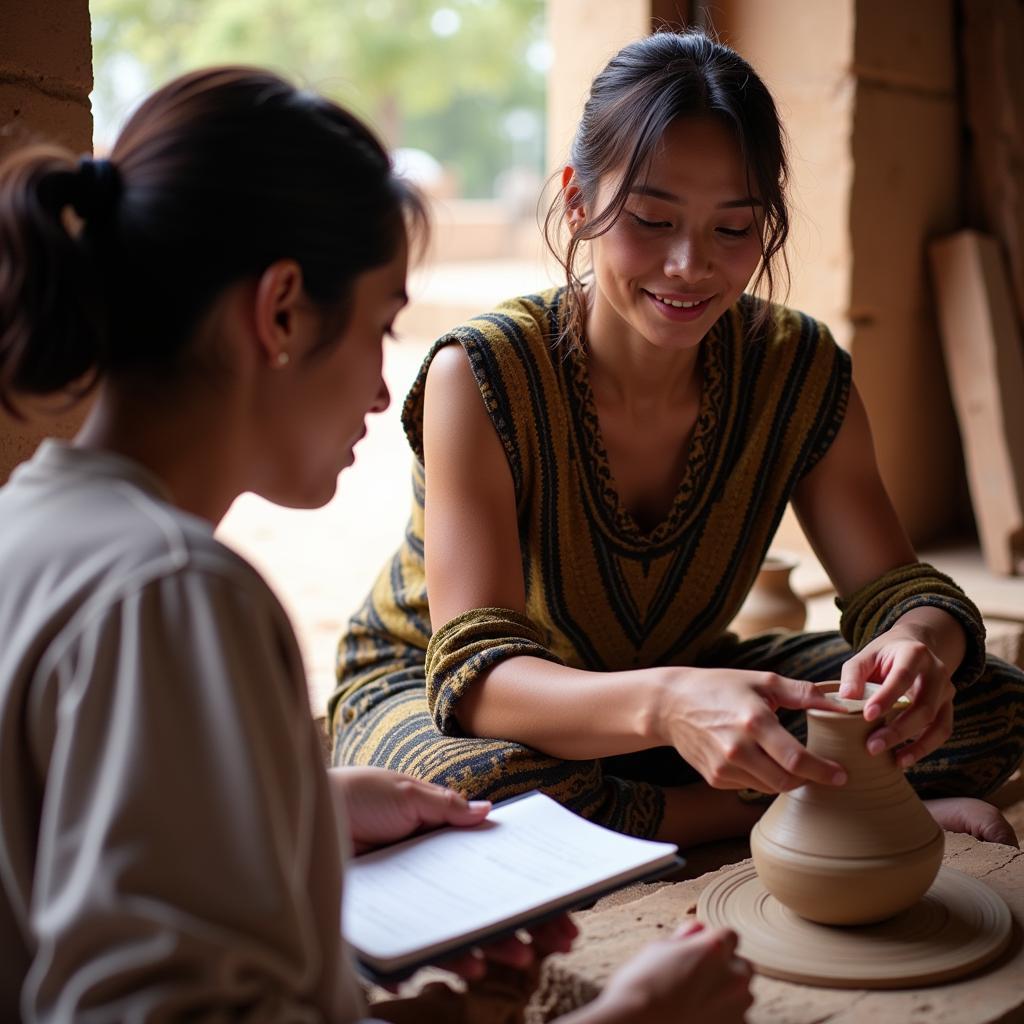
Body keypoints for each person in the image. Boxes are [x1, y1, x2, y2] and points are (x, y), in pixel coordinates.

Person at [0, 66, 753, 1023]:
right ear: (279, 314)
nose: (378, 388)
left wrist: (300, 811)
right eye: (380, 324)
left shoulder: (31, 525)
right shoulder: (175, 592)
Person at [330, 29, 1024, 849]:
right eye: (653, 220)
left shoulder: (793, 369)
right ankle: (802, 807)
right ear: (579, 202)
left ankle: (693, 808)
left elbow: (898, 591)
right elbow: (479, 682)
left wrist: (919, 648)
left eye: (733, 230)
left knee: (992, 703)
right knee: (470, 788)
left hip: (680, 680)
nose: (690, 265)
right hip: (454, 697)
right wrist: (666, 703)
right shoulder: (483, 374)